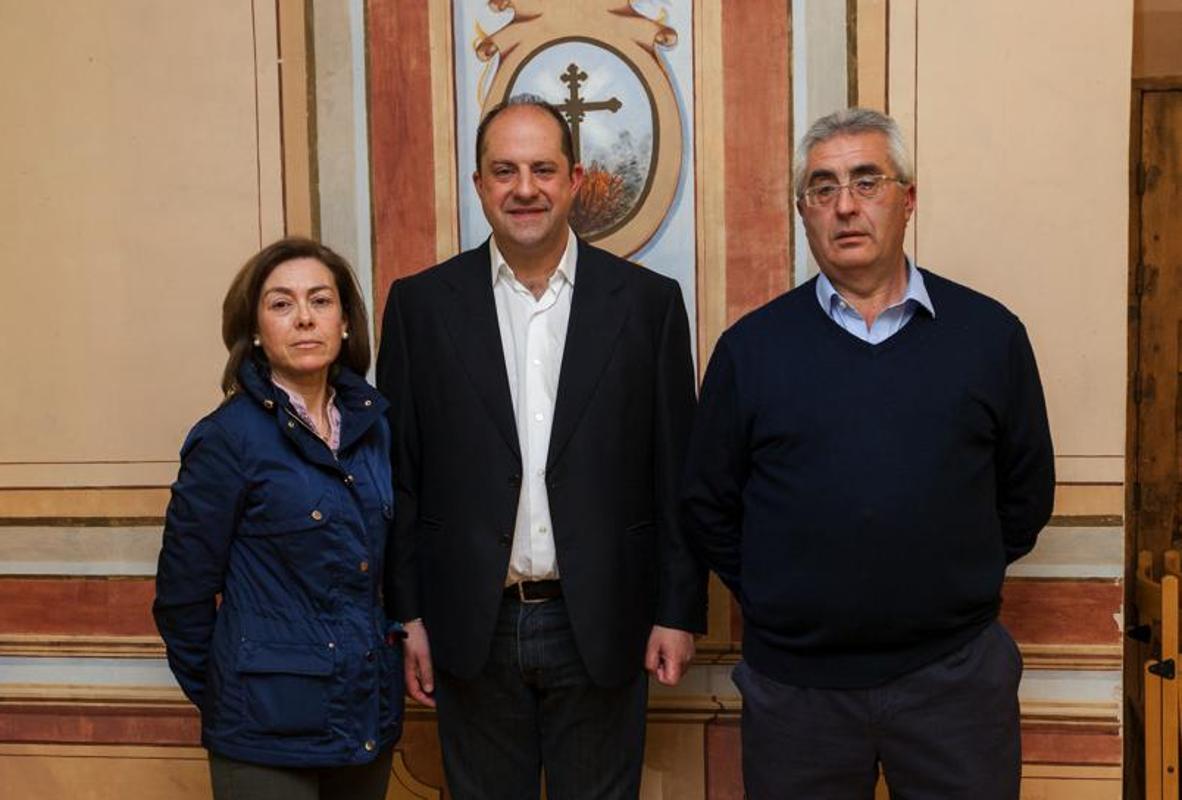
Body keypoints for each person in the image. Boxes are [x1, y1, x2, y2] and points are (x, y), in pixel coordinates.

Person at [681, 108, 1055, 799]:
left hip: (954, 683)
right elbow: (708, 505)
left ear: (907, 199)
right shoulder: (751, 351)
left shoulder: (990, 337)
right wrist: (781, 595)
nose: (845, 206)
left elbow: (1026, 497)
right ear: (803, 212)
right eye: (822, 188)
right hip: (797, 693)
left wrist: (942, 576)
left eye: (865, 181)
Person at [376, 97, 706, 799]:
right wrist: (407, 615)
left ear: (575, 179)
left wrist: (678, 612)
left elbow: (676, 471)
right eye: (504, 170)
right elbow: (400, 476)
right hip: (472, 625)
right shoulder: (421, 307)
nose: (524, 188)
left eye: (542, 169)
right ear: (478, 185)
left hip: (604, 622)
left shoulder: (648, 306)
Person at [153, 237, 402, 800]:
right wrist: (231, 693)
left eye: (320, 300)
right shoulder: (227, 439)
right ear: (257, 332)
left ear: (344, 324)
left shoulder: (375, 429)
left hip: (366, 719)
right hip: (263, 732)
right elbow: (182, 597)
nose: (305, 318)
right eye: (282, 304)